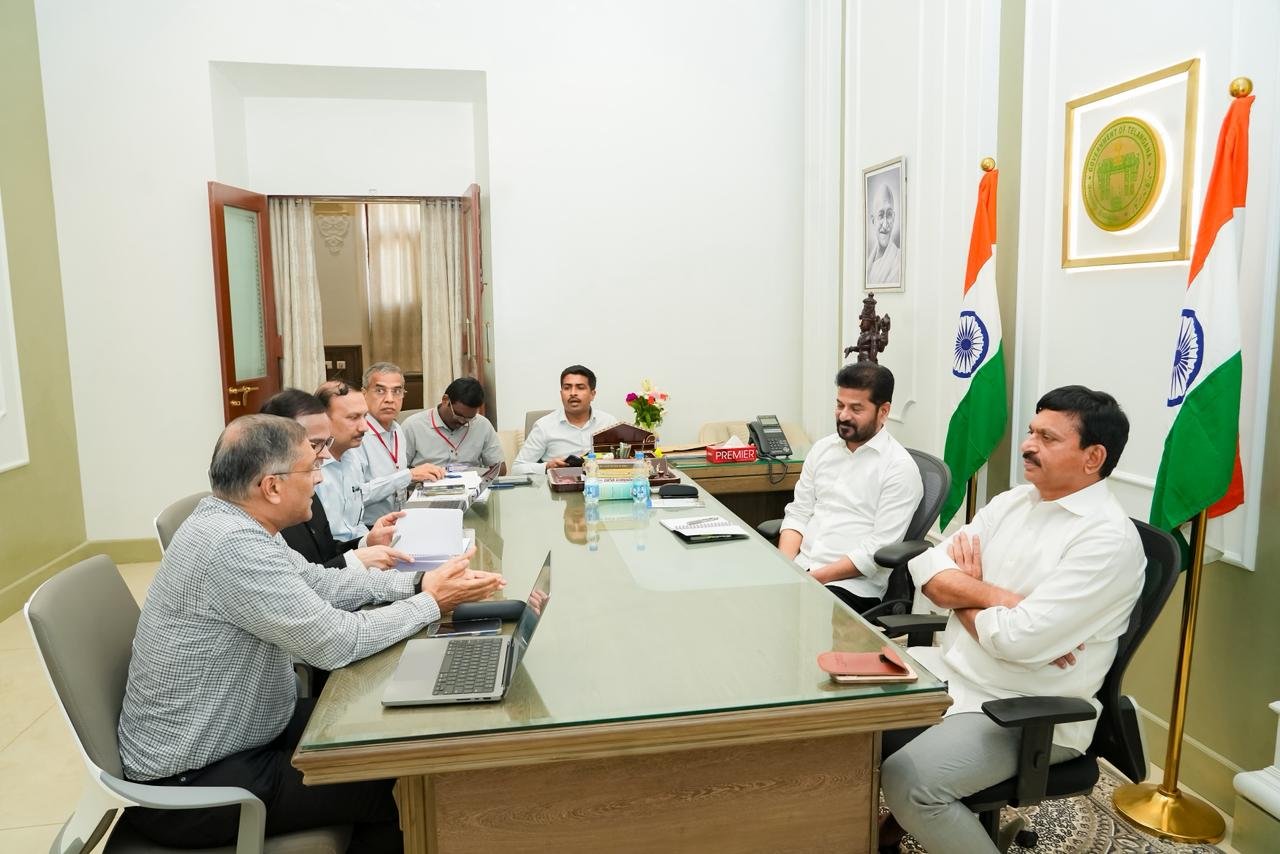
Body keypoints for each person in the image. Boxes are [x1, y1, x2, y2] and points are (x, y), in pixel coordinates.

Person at [117, 414, 505, 851]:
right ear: (272, 486)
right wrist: (431, 603)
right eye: (312, 468)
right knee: (393, 787)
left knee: (390, 732)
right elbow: (338, 643)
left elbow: (323, 584)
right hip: (197, 782)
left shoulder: (238, 522)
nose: (320, 479)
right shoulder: (232, 545)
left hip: (249, 731)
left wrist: (418, 583)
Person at [879, 386, 1145, 854]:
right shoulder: (1015, 502)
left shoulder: (1106, 541)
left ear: (1093, 457)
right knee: (837, 715)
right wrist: (999, 598)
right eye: (1031, 432)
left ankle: (916, 816)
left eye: (1047, 438)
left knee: (911, 780)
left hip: (1022, 708)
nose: (1027, 445)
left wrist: (962, 594)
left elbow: (1016, 640)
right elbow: (927, 571)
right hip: (952, 670)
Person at [778, 363, 923, 612]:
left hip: (850, 586)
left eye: (856, 409)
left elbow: (876, 550)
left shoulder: (899, 469)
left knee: (798, 618)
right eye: (840, 405)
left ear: (883, 411)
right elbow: (799, 513)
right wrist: (784, 567)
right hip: (801, 568)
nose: (843, 415)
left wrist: (811, 580)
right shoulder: (822, 449)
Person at [261, 388, 411, 570]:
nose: (325, 454)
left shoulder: (313, 485)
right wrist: (356, 560)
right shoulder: (262, 519)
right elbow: (308, 579)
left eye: (326, 443)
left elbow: (327, 552)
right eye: (314, 444)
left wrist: (367, 543)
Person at [357, 362, 446, 525]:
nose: (389, 399)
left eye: (397, 391)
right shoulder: (356, 435)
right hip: (369, 528)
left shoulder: (398, 429)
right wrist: (408, 476)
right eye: (380, 391)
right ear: (364, 394)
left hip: (399, 520)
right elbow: (356, 496)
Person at [513, 365, 619, 474]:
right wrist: (547, 467)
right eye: (567, 388)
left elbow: (625, 460)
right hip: (559, 483)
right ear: (561, 393)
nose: (573, 393)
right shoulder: (544, 426)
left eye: (580, 387)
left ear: (592, 394)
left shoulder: (609, 423)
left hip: (601, 482)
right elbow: (517, 469)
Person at [402, 376, 505, 471]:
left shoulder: (482, 424)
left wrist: (478, 473)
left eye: (469, 418)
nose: (462, 421)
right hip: (428, 483)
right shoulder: (413, 426)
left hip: (470, 483)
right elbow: (399, 472)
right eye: (458, 415)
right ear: (445, 400)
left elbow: (500, 469)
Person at [866, 181, 901, 285]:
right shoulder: (868, 263)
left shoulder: (898, 259)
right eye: (881, 215)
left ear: (893, 218)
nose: (885, 225)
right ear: (873, 220)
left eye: (889, 215)